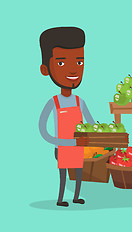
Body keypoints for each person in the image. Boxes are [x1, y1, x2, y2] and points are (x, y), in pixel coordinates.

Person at [39, 27, 94, 207]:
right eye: (61, 63)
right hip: (62, 148)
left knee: (78, 173)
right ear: (45, 69)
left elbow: (91, 123)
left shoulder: (80, 101)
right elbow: (43, 131)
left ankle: (76, 196)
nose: (74, 69)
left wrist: (101, 133)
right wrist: (65, 143)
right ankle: (61, 198)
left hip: (80, 147)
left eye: (79, 62)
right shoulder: (53, 103)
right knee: (63, 174)